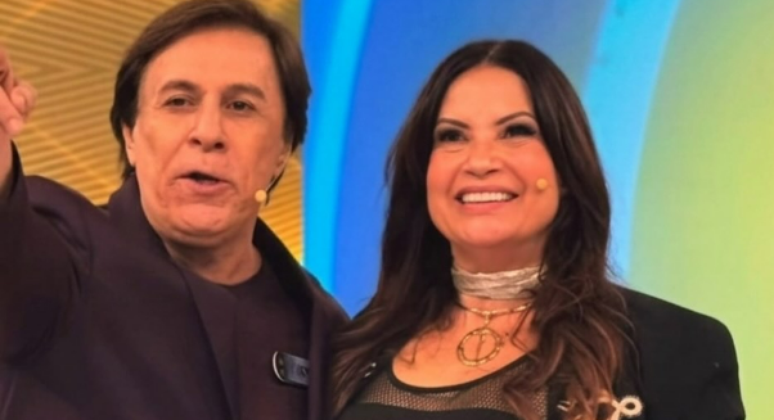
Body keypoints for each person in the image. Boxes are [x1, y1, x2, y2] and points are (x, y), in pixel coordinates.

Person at [330, 40, 744, 420]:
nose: (480, 162)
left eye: (517, 131)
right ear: (424, 174)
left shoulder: (672, 348)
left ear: (566, 170)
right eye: (452, 136)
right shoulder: (356, 343)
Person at [0, 1, 346, 419]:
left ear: (282, 151)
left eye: (240, 106)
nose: (208, 132)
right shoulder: (63, 248)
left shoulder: (323, 327)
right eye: (179, 101)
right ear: (130, 134)